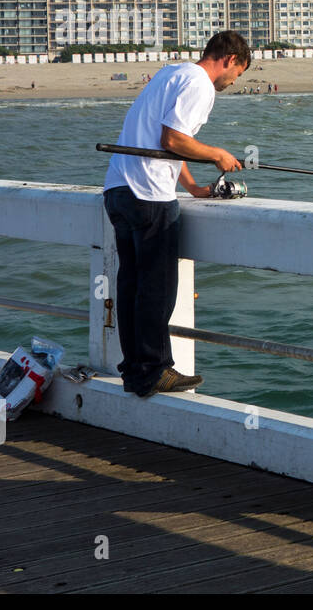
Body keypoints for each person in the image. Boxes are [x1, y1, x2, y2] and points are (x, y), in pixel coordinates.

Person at [102, 31, 249, 397]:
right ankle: (155, 370)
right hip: (149, 195)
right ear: (230, 59)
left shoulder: (171, 73)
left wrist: (192, 188)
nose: (235, 81)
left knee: (131, 284)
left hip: (119, 188)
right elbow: (173, 140)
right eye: (239, 73)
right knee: (158, 287)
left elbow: (162, 140)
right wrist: (217, 154)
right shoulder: (201, 84)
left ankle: (134, 370)